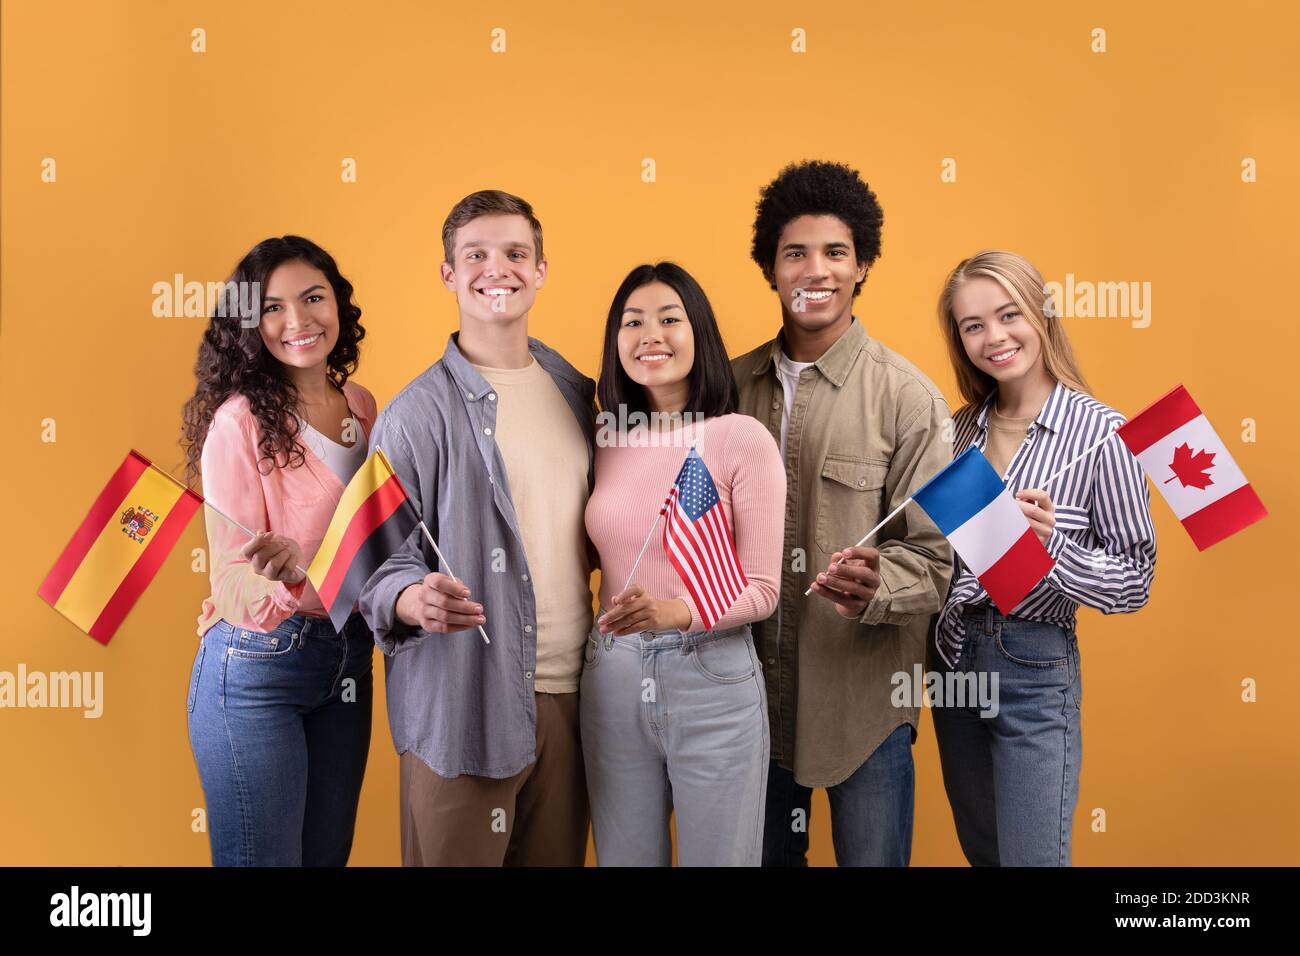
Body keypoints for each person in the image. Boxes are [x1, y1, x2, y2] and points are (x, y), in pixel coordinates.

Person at [358, 190, 595, 866]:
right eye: (477, 255)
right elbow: (378, 567)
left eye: (516, 253)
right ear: (449, 274)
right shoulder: (411, 416)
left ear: (542, 269)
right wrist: (414, 598)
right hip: (463, 705)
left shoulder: (577, 391)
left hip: (572, 700)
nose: (499, 269)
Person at [732, 160, 954, 866]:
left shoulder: (911, 399)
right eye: (795, 253)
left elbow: (936, 563)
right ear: (770, 268)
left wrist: (879, 582)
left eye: (835, 252)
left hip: (862, 710)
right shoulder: (727, 387)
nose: (814, 270)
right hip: (747, 707)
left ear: (862, 267)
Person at [931, 249, 1156, 866]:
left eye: (1009, 315)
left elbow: (1135, 581)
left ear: (1044, 315)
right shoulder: (956, 431)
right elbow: (936, 557)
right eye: (972, 325)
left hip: (1033, 663)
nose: (994, 337)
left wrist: (1053, 550)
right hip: (951, 661)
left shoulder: (1102, 434)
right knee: (986, 855)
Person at [581, 261, 785, 866]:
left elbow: (764, 589)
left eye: (670, 319)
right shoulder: (604, 440)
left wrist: (675, 611)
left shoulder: (740, 437)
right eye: (633, 322)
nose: (651, 335)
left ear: (699, 334)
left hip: (713, 679)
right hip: (613, 678)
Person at [182, 235, 378, 866]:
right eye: (273, 307)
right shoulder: (238, 422)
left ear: (338, 306)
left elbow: (377, 538)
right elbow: (231, 580)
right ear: (250, 321)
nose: (298, 321)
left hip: (348, 660)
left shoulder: (364, 408)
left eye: (313, 298)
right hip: (258, 667)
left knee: (326, 858)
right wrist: (288, 579)